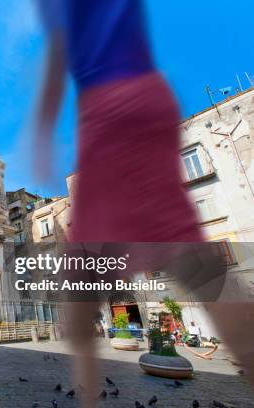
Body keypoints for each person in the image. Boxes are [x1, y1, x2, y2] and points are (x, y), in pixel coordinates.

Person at [35, 1, 254, 405]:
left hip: (106, 109)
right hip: (151, 98)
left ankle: (87, 397)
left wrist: (43, 130)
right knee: (185, 245)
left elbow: (59, 50)